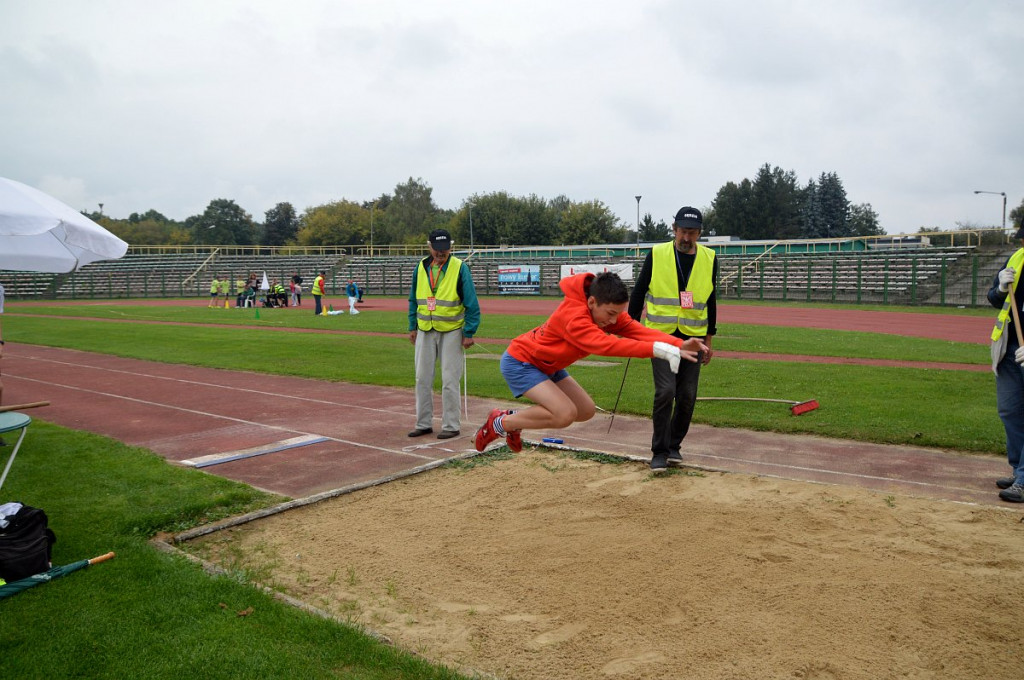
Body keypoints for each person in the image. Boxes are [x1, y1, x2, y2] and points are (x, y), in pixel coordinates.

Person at [474, 271, 705, 455]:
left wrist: (677, 344)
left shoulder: (602, 309)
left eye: (618, 314)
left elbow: (636, 330)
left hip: (549, 365)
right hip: (521, 362)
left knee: (584, 411)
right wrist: (661, 350)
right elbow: (608, 346)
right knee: (564, 414)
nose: (614, 321)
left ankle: (513, 419)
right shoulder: (574, 318)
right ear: (592, 301)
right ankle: (500, 423)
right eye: (611, 314)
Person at [628, 206, 718, 471]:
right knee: (666, 391)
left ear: (699, 233)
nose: (686, 237)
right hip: (660, 336)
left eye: (691, 232)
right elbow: (639, 291)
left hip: (694, 337)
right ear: (674, 229)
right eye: (682, 231)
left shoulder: (710, 258)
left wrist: (710, 337)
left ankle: (674, 446)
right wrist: (631, 328)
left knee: (688, 395)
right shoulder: (656, 254)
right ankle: (658, 451)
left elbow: (711, 299)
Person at [408, 229, 480, 439]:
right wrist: (412, 326)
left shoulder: (460, 268)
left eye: (445, 249)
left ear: (451, 247)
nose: (441, 253)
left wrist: (469, 332)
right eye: (437, 249)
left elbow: (472, 303)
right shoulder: (420, 267)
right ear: (429, 246)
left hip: (452, 331)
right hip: (424, 329)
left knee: (450, 379)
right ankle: (423, 423)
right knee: (422, 378)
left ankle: (451, 425)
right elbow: (413, 298)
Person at [988, 219, 1024, 503]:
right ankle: (1018, 469)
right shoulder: (1016, 258)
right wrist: (1000, 288)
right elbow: (992, 297)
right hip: (1010, 348)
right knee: (1010, 410)